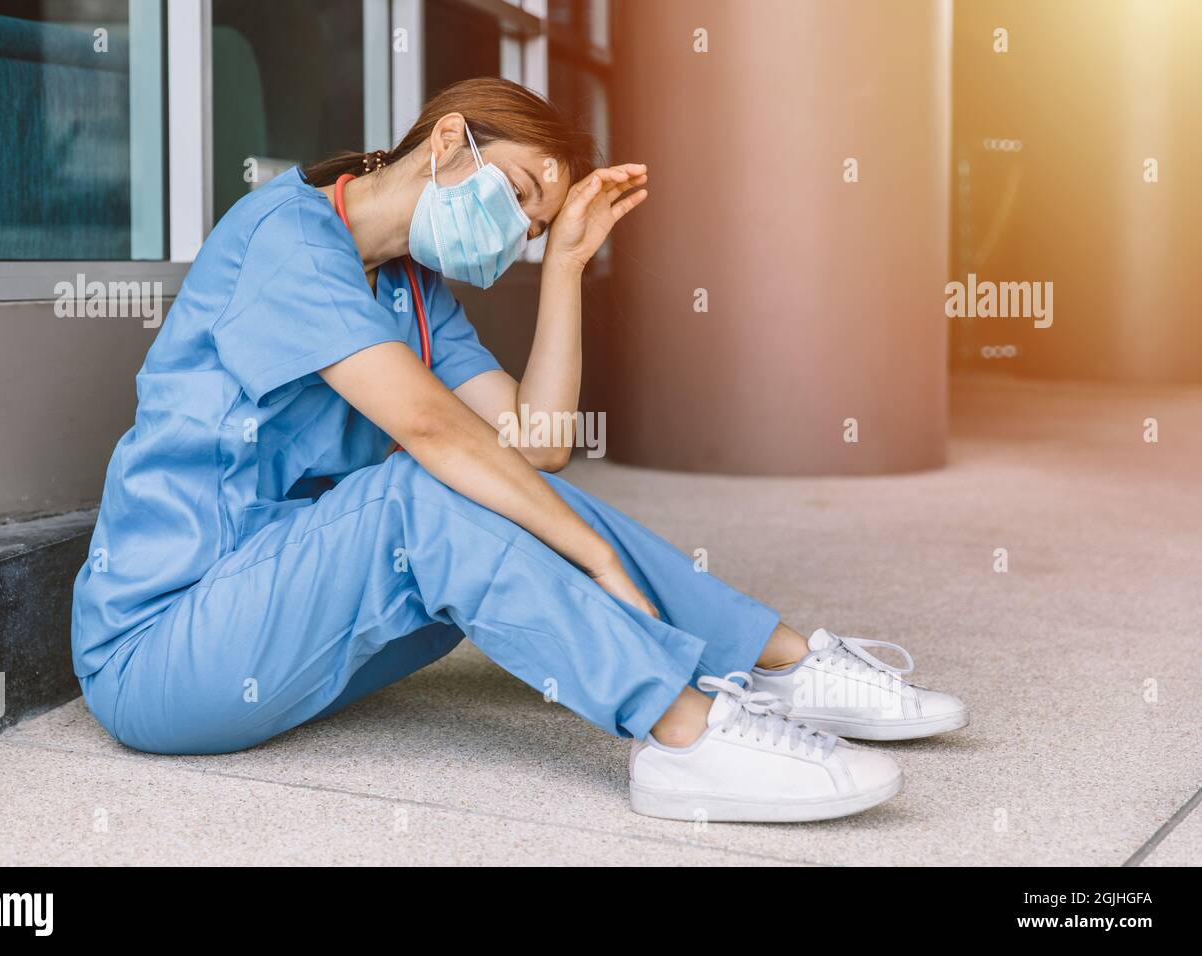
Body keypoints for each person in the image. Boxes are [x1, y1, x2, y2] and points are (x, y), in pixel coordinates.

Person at [72, 77, 966, 823]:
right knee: (421, 489)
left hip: (275, 630)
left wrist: (567, 266)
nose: (519, 233)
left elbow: (536, 448)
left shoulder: (413, 293)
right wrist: (597, 561)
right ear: (450, 139)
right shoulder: (287, 238)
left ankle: (774, 663)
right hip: (161, 652)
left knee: (482, 483)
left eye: (534, 229)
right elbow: (431, 432)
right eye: (527, 197)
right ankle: (682, 735)